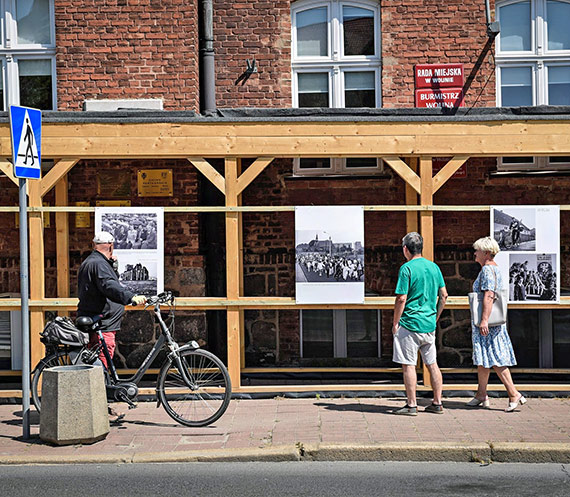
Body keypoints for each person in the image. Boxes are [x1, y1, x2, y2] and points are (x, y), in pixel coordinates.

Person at [77, 231, 147, 419]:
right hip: (103, 321)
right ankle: (97, 409)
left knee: (100, 361)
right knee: (101, 362)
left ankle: (102, 406)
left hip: (102, 319)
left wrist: (112, 266)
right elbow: (109, 286)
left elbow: (106, 283)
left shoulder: (94, 262)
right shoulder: (98, 264)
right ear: (110, 245)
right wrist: (131, 297)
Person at [467, 237, 526, 412]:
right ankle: (481, 394)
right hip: (492, 322)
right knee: (484, 359)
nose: (474, 253)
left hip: (489, 322)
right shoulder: (494, 269)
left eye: (477, 250)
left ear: (486, 252)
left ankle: (514, 393)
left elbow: (489, 295)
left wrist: (484, 319)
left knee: (496, 358)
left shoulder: (486, 270)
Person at [392, 232, 448, 416]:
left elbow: (401, 298)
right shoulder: (434, 268)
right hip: (428, 324)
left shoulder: (406, 269)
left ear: (405, 249)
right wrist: (436, 316)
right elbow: (444, 295)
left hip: (409, 323)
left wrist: (395, 322)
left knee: (408, 364)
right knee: (432, 364)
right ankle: (438, 402)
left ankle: (411, 405)